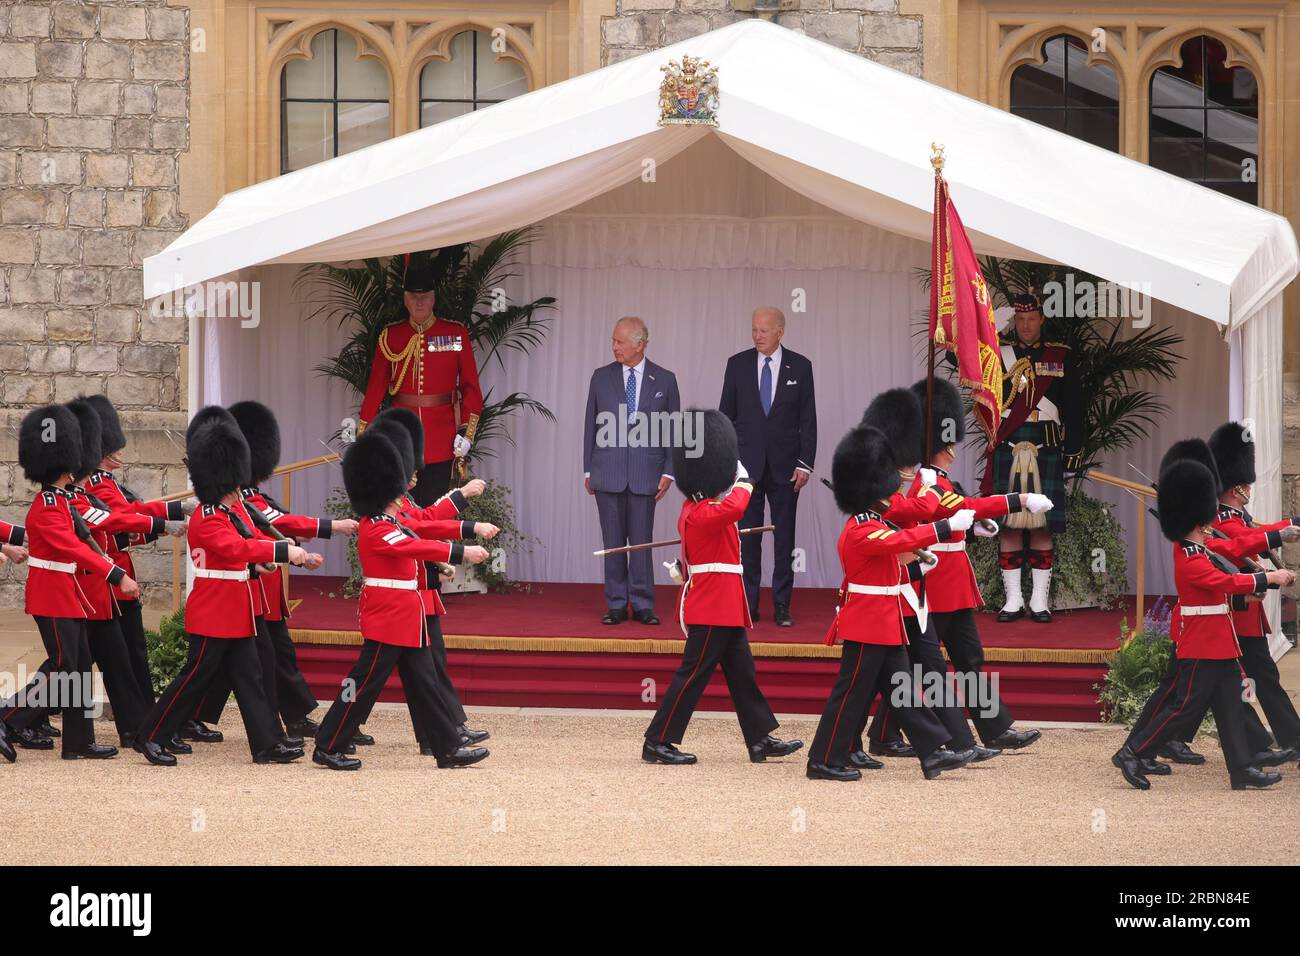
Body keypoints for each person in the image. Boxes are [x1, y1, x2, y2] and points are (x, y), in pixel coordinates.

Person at [867, 380, 1050, 754]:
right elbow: (960, 509)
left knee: (967, 659)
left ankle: (994, 728)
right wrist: (1021, 499)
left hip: (952, 582)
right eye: (947, 445)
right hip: (932, 585)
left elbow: (961, 511)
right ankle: (896, 735)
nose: (953, 451)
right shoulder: (926, 482)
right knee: (924, 665)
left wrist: (974, 527)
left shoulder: (940, 480)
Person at [134, 407, 309, 767]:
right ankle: (150, 736)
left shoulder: (232, 511)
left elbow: (248, 545)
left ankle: (267, 743)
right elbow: (237, 548)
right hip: (216, 611)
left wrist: (267, 559)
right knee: (194, 677)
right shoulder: (208, 517)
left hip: (238, 610)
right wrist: (285, 551)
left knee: (252, 677)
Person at [311, 428, 491, 771]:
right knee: (359, 684)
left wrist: (456, 542)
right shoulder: (376, 527)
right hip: (387, 619)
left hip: (406, 619)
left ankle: (447, 748)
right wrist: (461, 551)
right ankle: (328, 743)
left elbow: (420, 532)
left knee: (427, 684)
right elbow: (414, 545)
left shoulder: (388, 520)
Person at [806, 425, 978, 781]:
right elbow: (900, 541)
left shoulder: (874, 523)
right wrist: (945, 528)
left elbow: (891, 568)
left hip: (886, 624)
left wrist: (918, 564)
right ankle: (822, 759)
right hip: (868, 624)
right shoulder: (861, 529)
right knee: (850, 695)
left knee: (902, 693)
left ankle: (931, 754)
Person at [1112, 454, 1292, 791]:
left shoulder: (1199, 547)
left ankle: (1242, 769)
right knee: (1184, 707)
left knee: (1230, 707)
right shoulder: (1190, 556)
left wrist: (1249, 592)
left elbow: (1226, 576)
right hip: (1202, 644)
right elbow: (1223, 582)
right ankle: (1132, 752)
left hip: (1220, 643)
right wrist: (1268, 579)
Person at [642, 409, 802, 765]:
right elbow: (737, 507)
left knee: (743, 675)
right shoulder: (699, 512)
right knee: (693, 674)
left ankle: (760, 739)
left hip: (726, 604)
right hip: (712, 604)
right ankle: (658, 740)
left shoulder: (705, 508)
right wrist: (744, 478)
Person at [2, 404, 139, 761]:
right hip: (52, 596)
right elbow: (74, 548)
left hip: (69, 595)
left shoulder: (63, 501)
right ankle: (8, 718)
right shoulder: (48, 505)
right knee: (64, 667)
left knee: (77, 667)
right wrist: (117, 574)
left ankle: (78, 742)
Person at [226, 400, 357, 740]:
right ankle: (267, 730)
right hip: (249, 592)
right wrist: (330, 526)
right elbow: (279, 522)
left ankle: (294, 717)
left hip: (266, 593)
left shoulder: (252, 494)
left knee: (278, 657)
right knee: (254, 663)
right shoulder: (242, 500)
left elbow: (281, 521)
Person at [369, 406, 496, 749]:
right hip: (402, 600)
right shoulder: (385, 509)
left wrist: (461, 501)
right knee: (379, 675)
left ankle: (442, 731)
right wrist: (467, 528)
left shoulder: (401, 501)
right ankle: (440, 730)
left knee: (425, 668)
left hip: (418, 593)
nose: (413, 477)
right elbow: (422, 526)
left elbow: (424, 517)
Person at [63, 397, 169, 750]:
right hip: (94, 585)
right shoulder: (83, 492)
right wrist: (163, 520)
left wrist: (162, 518)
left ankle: (138, 725)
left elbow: (124, 518)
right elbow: (114, 520)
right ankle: (17, 716)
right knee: (76, 663)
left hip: (111, 581)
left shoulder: (90, 487)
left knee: (118, 657)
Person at [83, 393, 191, 705]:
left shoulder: (106, 481)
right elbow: (127, 518)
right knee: (102, 657)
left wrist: (171, 514)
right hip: (109, 581)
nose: (120, 450)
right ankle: (24, 716)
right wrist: (170, 516)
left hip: (117, 577)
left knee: (121, 654)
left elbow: (134, 515)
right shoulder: (98, 484)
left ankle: (142, 717)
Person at [985, 293, 1081, 624]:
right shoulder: (999, 354)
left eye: (1032, 319)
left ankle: (1039, 600)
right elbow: (964, 362)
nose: (1026, 326)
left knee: (1042, 525)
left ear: (1042, 320)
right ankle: (1013, 600)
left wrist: (1072, 456)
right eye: (1020, 320)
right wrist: (989, 328)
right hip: (1009, 446)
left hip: (1046, 447)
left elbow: (1074, 407)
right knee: (1009, 523)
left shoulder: (1059, 356)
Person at [1205, 422, 1300, 759]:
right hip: (1234, 613)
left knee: (1248, 679)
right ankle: (1268, 741)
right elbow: (1241, 541)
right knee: (1234, 681)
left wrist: (1287, 527)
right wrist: (1282, 532)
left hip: (1245, 613)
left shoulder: (1234, 516)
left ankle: (1279, 739)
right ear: (1237, 488)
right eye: (1245, 484)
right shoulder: (1219, 520)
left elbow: (1248, 533)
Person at [358, 254, 483, 508]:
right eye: (414, 296)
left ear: (434, 298)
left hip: (442, 438)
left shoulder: (454, 334)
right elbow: (376, 389)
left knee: (437, 508)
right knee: (402, 511)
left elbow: (470, 387)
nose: (419, 302)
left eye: (425, 296)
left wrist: (467, 434)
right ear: (405, 300)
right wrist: (364, 432)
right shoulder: (391, 336)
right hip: (402, 437)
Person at [719, 306, 816, 626]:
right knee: (747, 538)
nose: (757, 336)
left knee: (784, 538)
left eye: (763, 330)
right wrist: (730, 464)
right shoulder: (737, 365)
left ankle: (782, 604)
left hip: (786, 469)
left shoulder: (800, 367)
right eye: (754, 329)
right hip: (746, 469)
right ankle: (748, 603)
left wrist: (805, 464)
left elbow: (808, 420)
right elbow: (725, 418)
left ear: (780, 332)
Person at [583, 316, 680, 625]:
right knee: (613, 543)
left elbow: (673, 430)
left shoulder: (665, 379)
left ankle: (641, 603)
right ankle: (615, 603)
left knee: (641, 542)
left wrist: (670, 471)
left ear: (640, 344)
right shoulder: (600, 377)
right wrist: (588, 470)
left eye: (619, 341)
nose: (614, 347)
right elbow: (591, 425)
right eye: (613, 340)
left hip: (645, 474)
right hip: (607, 473)